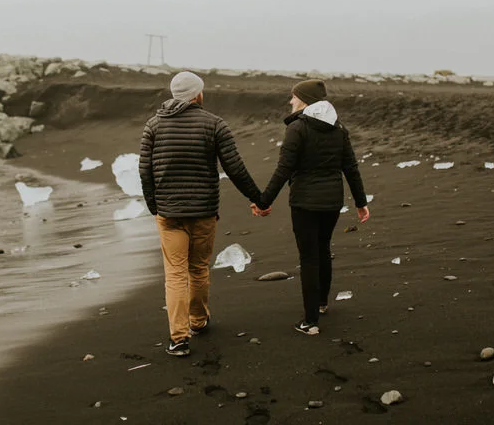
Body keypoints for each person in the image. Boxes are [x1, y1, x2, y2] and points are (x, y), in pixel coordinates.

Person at [139, 71, 268, 357]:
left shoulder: (153, 125)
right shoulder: (214, 124)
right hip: (203, 212)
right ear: (197, 94)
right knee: (197, 269)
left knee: (174, 273)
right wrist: (259, 199)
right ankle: (198, 321)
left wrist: (154, 206)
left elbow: (144, 171)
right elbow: (235, 168)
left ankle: (178, 338)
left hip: (169, 213)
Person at [255, 79, 370, 336]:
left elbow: (284, 169)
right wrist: (361, 203)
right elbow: (350, 167)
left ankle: (309, 322)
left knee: (309, 257)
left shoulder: (298, 128)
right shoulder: (339, 128)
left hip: (305, 202)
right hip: (331, 202)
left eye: (293, 97)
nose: (290, 101)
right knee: (322, 249)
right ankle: (321, 303)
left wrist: (264, 201)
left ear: (305, 99)